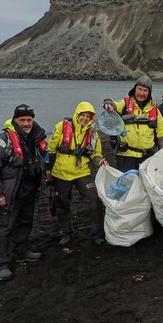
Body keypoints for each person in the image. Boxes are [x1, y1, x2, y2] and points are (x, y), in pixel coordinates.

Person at [0, 104, 47, 281]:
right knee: (4, 228)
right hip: (10, 191)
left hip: (28, 189)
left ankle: (21, 252)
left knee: (25, 222)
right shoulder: (3, 139)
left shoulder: (35, 138)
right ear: (15, 120)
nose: (26, 123)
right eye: (22, 120)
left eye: (29, 120)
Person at [46, 101, 108, 248]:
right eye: (83, 115)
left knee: (94, 200)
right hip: (61, 173)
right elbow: (50, 150)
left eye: (88, 116)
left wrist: (102, 161)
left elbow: (96, 154)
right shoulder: (61, 127)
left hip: (82, 172)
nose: (85, 118)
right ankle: (66, 233)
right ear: (77, 114)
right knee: (62, 204)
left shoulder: (93, 133)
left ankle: (97, 234)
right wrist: (48, 171)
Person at [103, 75, 163, 172]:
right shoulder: (124, 104)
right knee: (126, 185)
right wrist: (108, 103)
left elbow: (162, 136)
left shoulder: (155, 111)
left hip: (147, 158)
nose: (141, 93)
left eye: (145, 90)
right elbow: (114, 105)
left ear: (149, 92)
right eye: (139, 89)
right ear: (134, 89)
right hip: (125, 157)